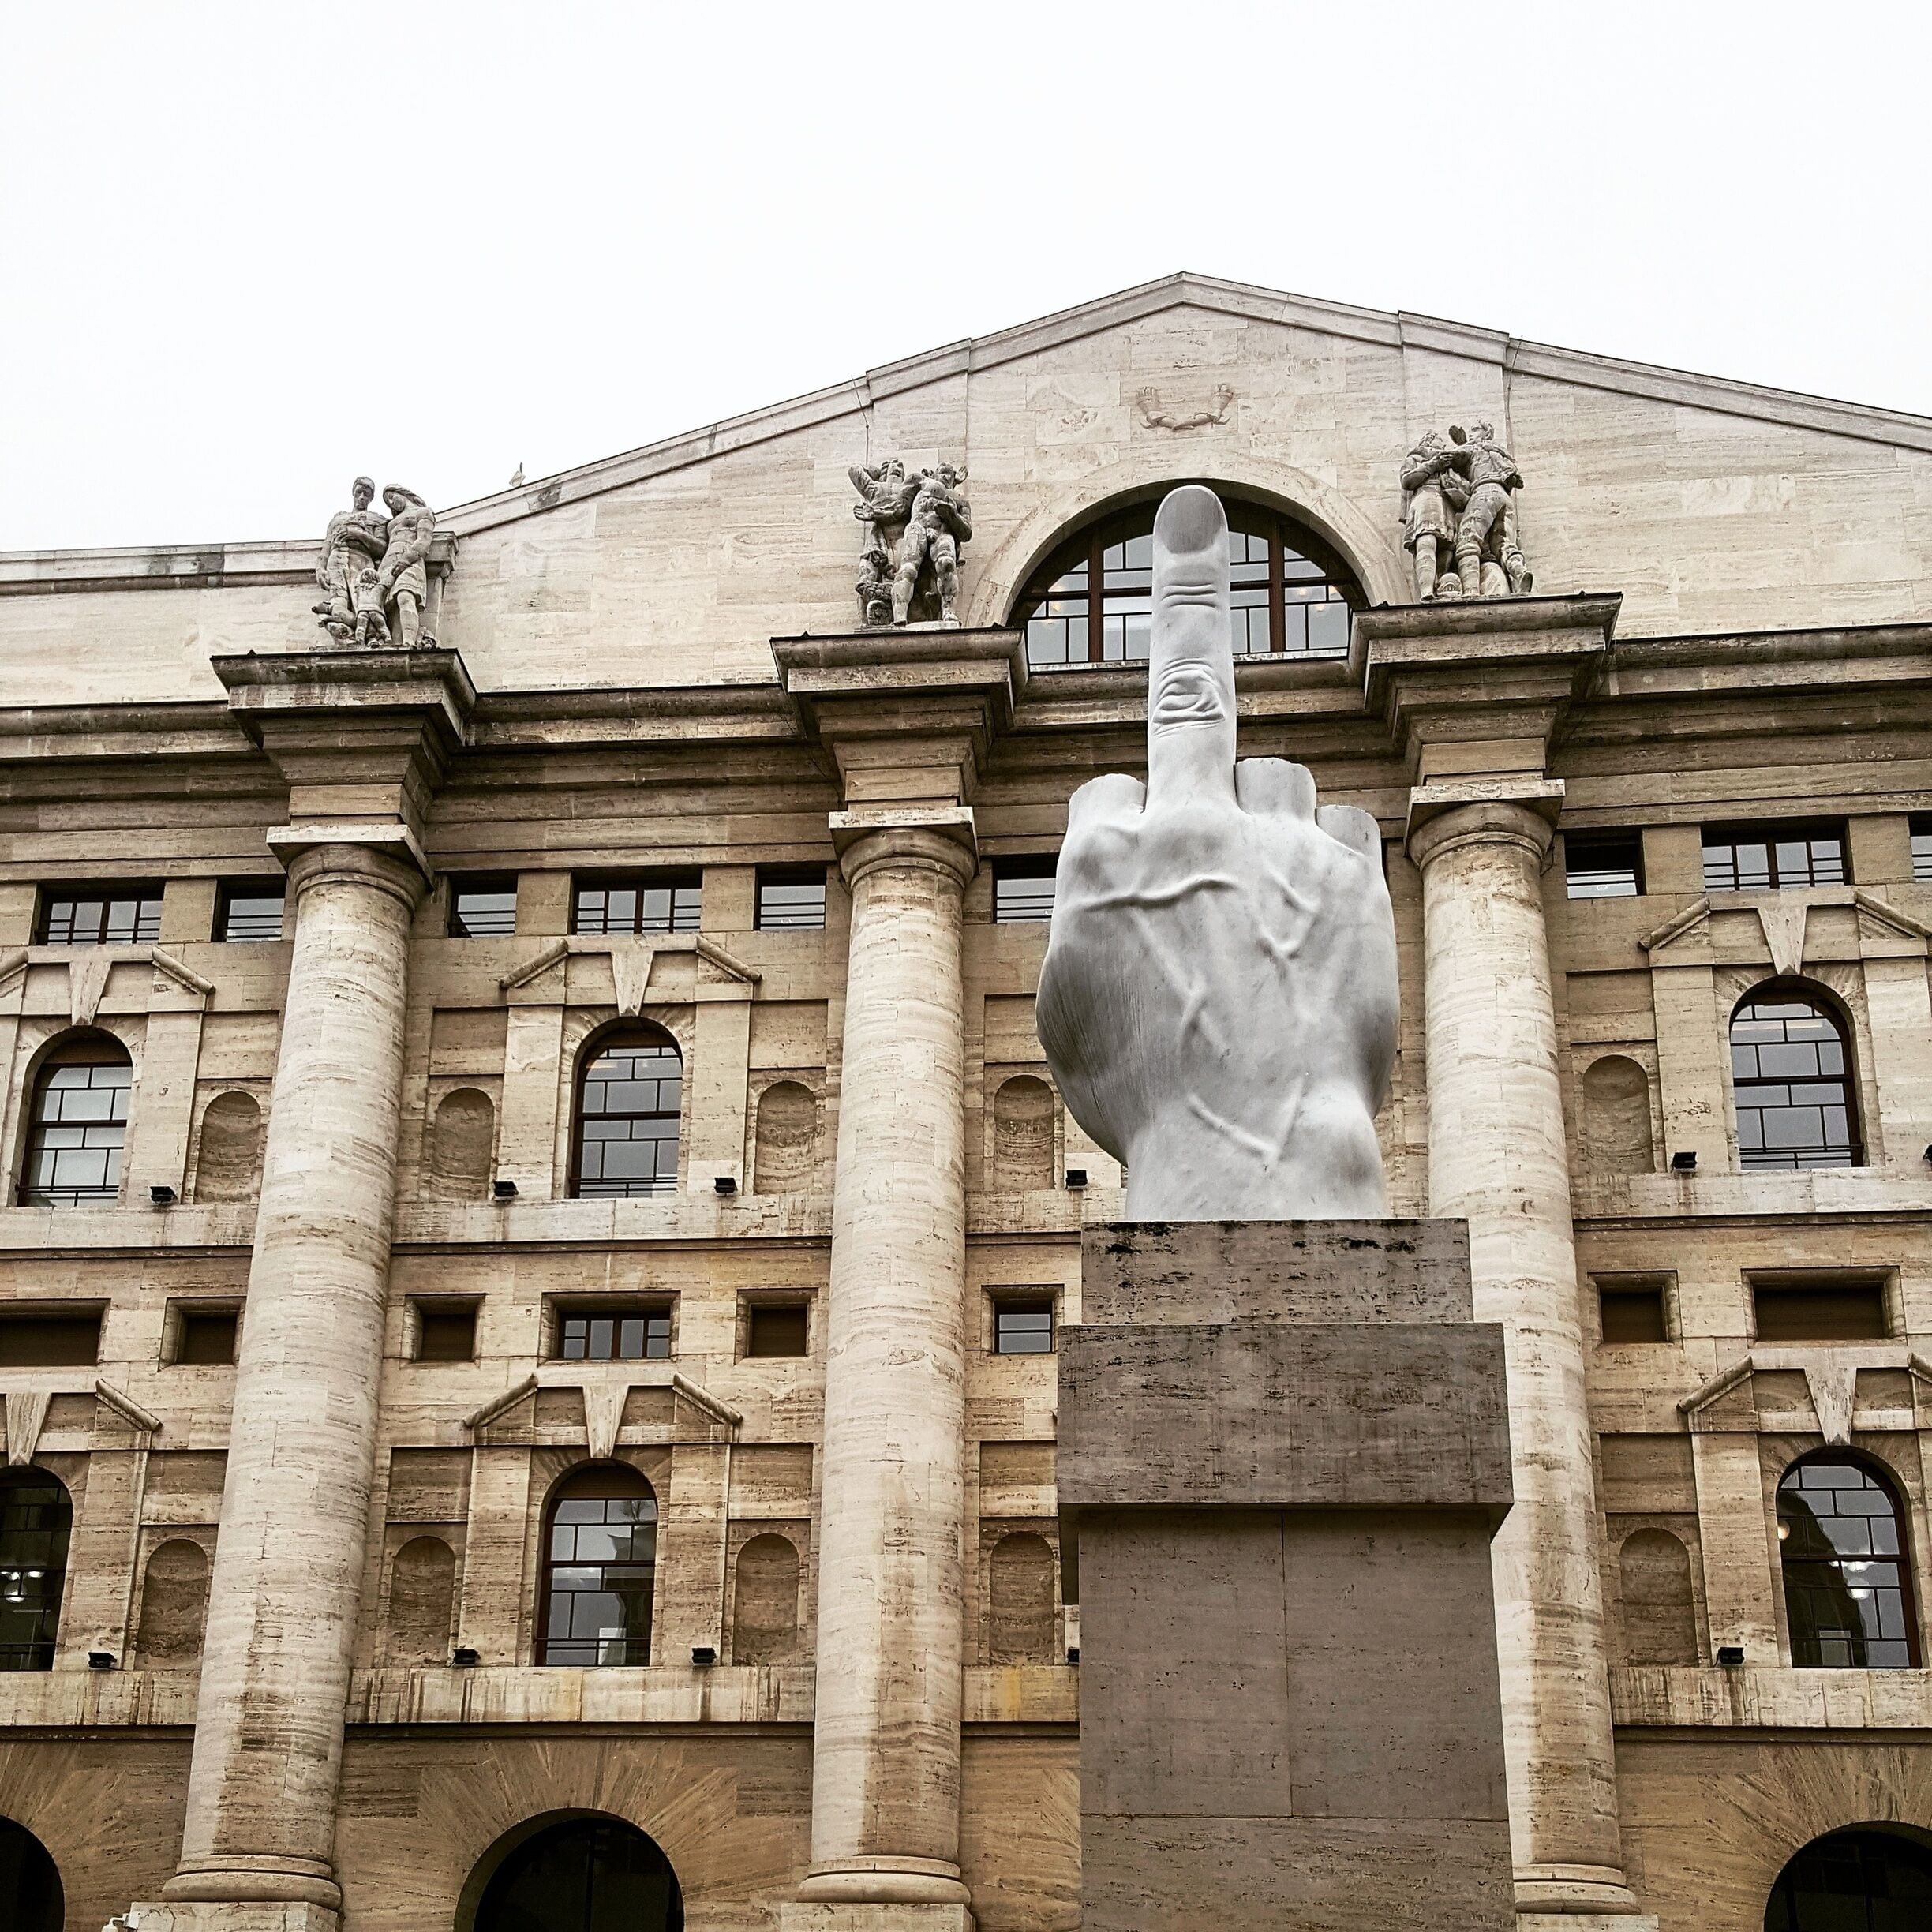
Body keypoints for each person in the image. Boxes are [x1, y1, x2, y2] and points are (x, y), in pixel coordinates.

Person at [891, 463, 972, 624]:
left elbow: (966, 533)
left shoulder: (960, 500)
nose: (947, 476)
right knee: (908, 568)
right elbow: (897, 499)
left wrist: (952, 515)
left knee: (947, 564)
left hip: (942, 530)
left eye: (950, 474)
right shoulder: (921, 481)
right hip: (918, 527)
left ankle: (948, 611)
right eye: (943, 472)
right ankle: (900, 615)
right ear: (934, 473)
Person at [313, 477, 389, 642]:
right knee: (338, 598)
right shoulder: (338, 518)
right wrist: (320, 567)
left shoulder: (378, 520)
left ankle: (370, 634)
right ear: (353, 493)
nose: (362, 497)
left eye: (366, 494)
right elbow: (327, 544)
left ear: (371, 498)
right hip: (336, 559)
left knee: (362, 603)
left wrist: (360, 535)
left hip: (361, 560)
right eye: (359, 493)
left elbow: (382, 547)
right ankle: (345, 635)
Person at [1398, 432, 1469, 600]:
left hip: (1446, 503)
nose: (1443, 445)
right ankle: (1426, 591)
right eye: (1440, 441)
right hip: (1425, 499)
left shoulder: (1448, 463)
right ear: (1429, 440)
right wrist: (1432, 466)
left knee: (1448, 548)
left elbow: (1465, 486)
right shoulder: (1415, 458)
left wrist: (1456, 486)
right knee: (1427, 540)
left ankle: (1440, 587)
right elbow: (1407, 481)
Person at [376, 485, 436, 646]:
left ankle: (409, 643)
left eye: (391, 496)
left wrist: (404, 561)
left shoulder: (423, 512)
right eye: (387, 501)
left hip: (410, 560)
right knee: (388, 606)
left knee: (405, 595)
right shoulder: (389, 524)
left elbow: (423, 542)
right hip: (387, 563)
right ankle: (392, 643)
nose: (391, 502)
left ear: (403, 494)